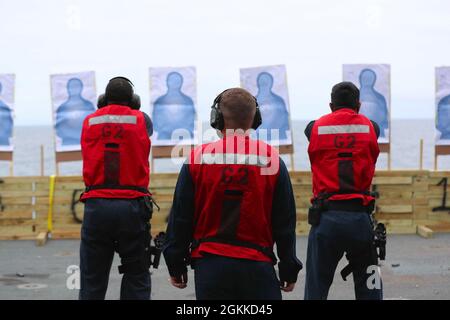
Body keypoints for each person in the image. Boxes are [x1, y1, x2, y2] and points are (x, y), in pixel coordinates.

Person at [163, 87, 302, 300]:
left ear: (217, 118)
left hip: (210, 266)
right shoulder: (271, 159)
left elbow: (181, 217)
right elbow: (284, 222)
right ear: (255, 119)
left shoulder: (197, 158)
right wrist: (288, 267)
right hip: (258, 266)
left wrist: (175, 263)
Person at [303, 81, 382, 300]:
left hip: (326, 219)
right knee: (371, 286)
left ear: (330, 105)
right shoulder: (372, 128)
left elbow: (310, 128)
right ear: (358, 104)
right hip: (360, 219)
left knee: (315, 288)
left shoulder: (314, 127)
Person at [79, 77, 154, 300]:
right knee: (137, 275)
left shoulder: (89, 121)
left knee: (92, 279)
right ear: (133, 100)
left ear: (103, 99)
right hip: (132, 208)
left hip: (96, 207)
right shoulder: (142, 120)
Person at [55, 78, 96, 146]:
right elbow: (59, 131)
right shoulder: (62, 107)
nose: (74, 89)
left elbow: (94, 127)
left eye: (76, 86)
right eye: (71, 87)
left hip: (86, 144)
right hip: (67, 145)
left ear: (81, 88)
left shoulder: (89, 105)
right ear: (68, 88)